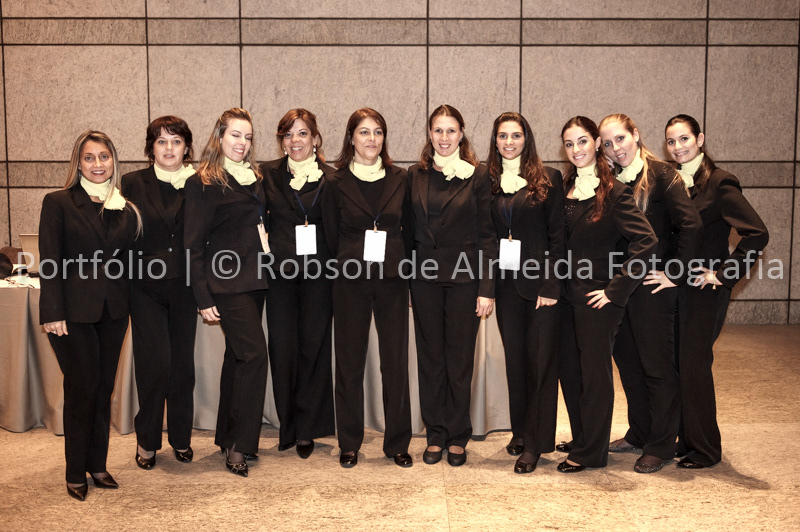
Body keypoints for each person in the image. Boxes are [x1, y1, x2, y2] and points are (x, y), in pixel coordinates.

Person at [39, 131, 142, 500]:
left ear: (113, 161)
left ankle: (97, 464)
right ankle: (74, 471)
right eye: (89, 157)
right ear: (78, 163)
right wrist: (52, 312)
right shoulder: (59, 202)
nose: (98, 164)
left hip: (113, 311)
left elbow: (129, 262)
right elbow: (49, 261)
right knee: (82, 389)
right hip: (71, 314)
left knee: (103, 389)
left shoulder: (124, 207)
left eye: (104, 157)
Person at [599, 114, 702, 473]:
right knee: (629, 365)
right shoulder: (609, 179)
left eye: (620, 138)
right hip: (622, 286)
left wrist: (676, 273)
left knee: (657, 367)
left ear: (635, 134)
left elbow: (691, 225)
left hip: (652, 288)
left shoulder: (661, 174)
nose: (616, 148)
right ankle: (640, 432)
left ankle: (661, 443)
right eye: (608, 143)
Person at [665, 114, 769, 468]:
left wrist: (724, 275)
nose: (677, 147)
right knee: (680, 364)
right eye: (671, 141)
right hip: (679, 288)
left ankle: (706, 449)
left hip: (705, 289)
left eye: (684, 139)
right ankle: (685, 439)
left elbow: (757, 233)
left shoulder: (720, 183)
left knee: (694, 365)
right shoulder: (673, 181)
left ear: (700, 139)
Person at [557, 116, 657, 473]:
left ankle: (591, 453)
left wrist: (616, 290)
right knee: (571, 372)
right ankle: (584, 438)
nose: (576, 150)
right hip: (565, 296)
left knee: (594, 375)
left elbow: (646, 241)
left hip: (597, 298)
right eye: (569, 144)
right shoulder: (565, 187)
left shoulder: (614, 191)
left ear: (597, 144)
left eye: (583, 141)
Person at [321, 108, 413, 468]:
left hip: (392, 281)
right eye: (363, 132)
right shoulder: (335, 182)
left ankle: (398, 443)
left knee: (395, 364)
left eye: (377, 132)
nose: (371, 139)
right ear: (351, 138)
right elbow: (331, 235)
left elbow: (408, 229)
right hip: (350, 282)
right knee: (349, 363)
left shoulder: (401, 178)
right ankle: (349, 442)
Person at [406, 105, 496, 467]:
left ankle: (458, 435)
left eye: (451, 130)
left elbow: (487, 235)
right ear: (429, 134)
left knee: (459, 361)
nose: (444, 137)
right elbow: (408, 232)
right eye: (438, 130)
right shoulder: (415, 174)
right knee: (430, 360)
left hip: (464, 280)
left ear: (462, 134)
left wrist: (487, 287)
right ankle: (435, 433)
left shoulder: (478, 175)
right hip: (424, 280)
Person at [184, 108, 269, 477]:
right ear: (219, 137)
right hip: (226, 283)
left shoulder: (254, 177)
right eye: (236, 135)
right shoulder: (203, 182)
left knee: (237, 359)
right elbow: (192, 244)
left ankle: (227, 436)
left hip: (257, 280)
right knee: (254, 356)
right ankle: (240, 446)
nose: (242, 143)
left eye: (248, 137)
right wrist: (202, 297)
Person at [487, 112, 565, 473]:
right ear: (495, 140)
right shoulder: (488, 180)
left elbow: (558, 237)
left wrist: (551, 284)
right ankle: (520, 432)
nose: (509, 142)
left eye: (516, 135)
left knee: (540, 365)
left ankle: (535, 444)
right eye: (503, 136)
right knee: (516, 364)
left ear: (527, 139)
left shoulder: (548, 178)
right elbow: (486, 237)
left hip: (540, 289)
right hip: (506, 287)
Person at [121, 116, 198, 470]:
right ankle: (147, 440)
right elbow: (122, 234)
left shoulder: (199, 182)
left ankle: (181, 437)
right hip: (145, 288)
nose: (169, 148)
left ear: (187, 147)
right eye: (161, 141)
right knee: (154, 366)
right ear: (151, 147)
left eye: (176, 141)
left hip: (185, 287)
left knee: (182, 367)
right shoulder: (132, 182)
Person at [259, 109, 335, 459]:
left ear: (315, 138)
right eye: (288, 134)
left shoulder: (332, 178)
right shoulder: (266, 174)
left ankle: (308, 429)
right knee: (282, 349)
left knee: (313, 349)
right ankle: (287, 426)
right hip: (280, 277)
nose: (295, 141)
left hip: (319, 276)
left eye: (302, 133)